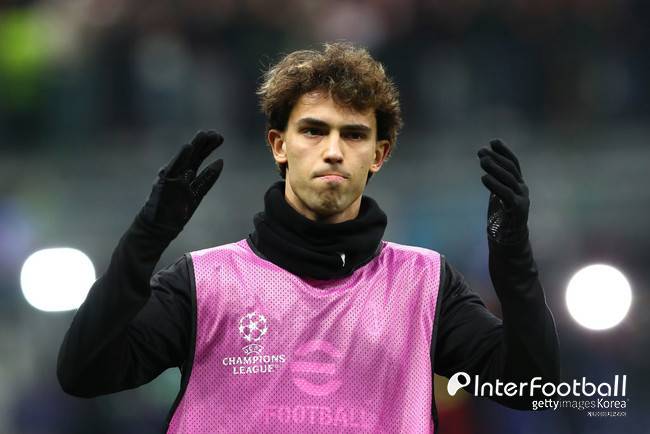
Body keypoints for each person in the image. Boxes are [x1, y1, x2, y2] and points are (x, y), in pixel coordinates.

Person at [57, 42, 560, 433]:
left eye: (354, 134)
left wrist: (512, 254)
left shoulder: (424, 284)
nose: (333, 150)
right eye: (314, 131)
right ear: (279, 145)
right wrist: (147, 236)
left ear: (379, 155)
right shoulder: (204, 281)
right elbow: (84, 372)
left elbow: (533, 390)